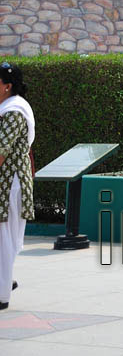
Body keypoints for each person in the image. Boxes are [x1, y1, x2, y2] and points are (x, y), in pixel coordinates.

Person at [0, 62, 34, 311]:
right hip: (6, 183)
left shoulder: (14, 111)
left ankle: (2, 294)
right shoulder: (6, 108)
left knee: (3, 239)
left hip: (9, 184)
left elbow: (1, 150)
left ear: (7, 86)